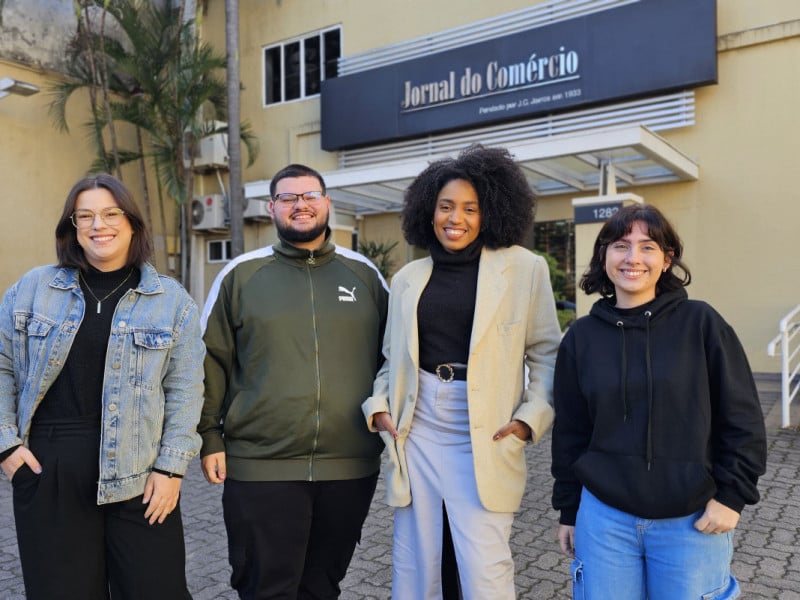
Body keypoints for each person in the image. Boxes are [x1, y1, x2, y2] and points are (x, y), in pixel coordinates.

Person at [363, 144, 563, 599]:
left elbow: (546, 353)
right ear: (428, 212)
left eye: (470, 208)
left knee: (485, 567)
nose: (457, 218)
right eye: (446, 206)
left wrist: (529, 420)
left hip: (487, 427)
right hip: (418, 429)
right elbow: (391, 360)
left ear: (489, 211)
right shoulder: (408, 278)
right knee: (415, 566)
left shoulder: (524, 269)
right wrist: (378, 409)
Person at [0, 173, 205, 599]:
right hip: (49, 469)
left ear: (131, 223)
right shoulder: (31, 289)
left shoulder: (171, 300)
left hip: (142, 473)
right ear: (72, 228)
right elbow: (1, 366)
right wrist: (6, 446)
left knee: (157, 590)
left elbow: (186, 389)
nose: (99, 225)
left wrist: (171, 468)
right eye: (85, 216)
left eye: (111, 213)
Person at [551, 204, 767, 599]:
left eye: (647, 247)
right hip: (604, 520)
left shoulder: (701, 324)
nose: (633, 258)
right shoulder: (581, 338)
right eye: (620, 245)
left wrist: (732, 497)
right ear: (604, 256)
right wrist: (569, 511)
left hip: (691, 519)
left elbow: (742, 418)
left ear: (666, 260)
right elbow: (570, 431)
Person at [199, 163, 389, 599]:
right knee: (266, 588)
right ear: (272, 209)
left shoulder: (364, 275)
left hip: (349, 466)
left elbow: (395, 357)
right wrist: (210, 436)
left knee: (322, 587)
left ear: (327, 203)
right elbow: (209, 360)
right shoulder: (241, 275)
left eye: (309, 195)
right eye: (288, 198)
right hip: (261, 466)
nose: (299, 205)